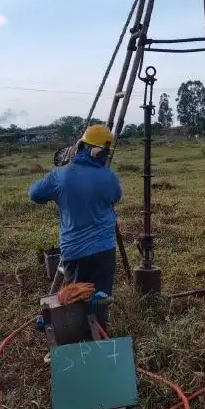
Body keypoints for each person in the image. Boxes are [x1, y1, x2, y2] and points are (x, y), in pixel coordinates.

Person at [29, 124, 122, 329]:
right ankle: (101, 336)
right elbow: (116, 196)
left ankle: (79, 343)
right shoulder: (110, 177)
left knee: (76, 299)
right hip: (106, 250)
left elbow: (34, 194)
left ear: (82, 147)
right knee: (100, 298)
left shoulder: (60, 175)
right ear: (102, 153)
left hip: (76, 252)